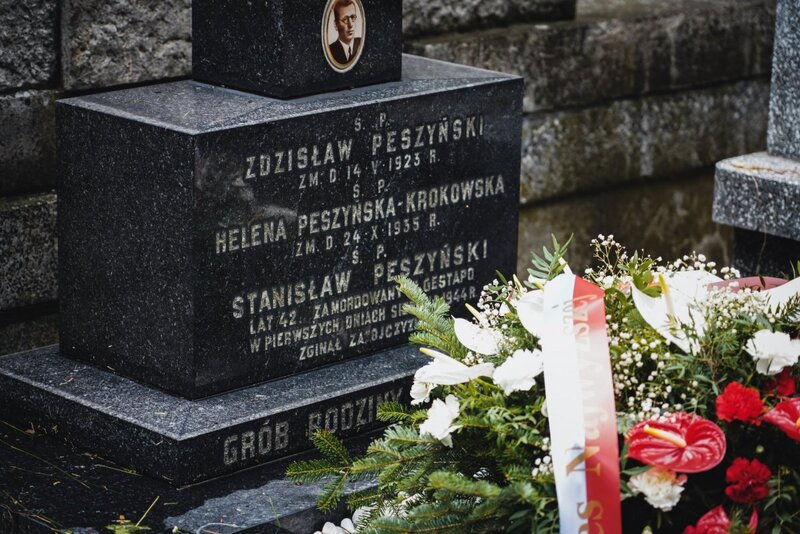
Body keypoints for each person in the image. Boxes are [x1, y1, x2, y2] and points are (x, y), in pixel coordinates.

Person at [328, 0, 361, 66]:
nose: (351, 25)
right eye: (345, 19)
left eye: (352, 17)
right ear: (336, 25)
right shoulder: (331, 51)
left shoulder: (361, 42)